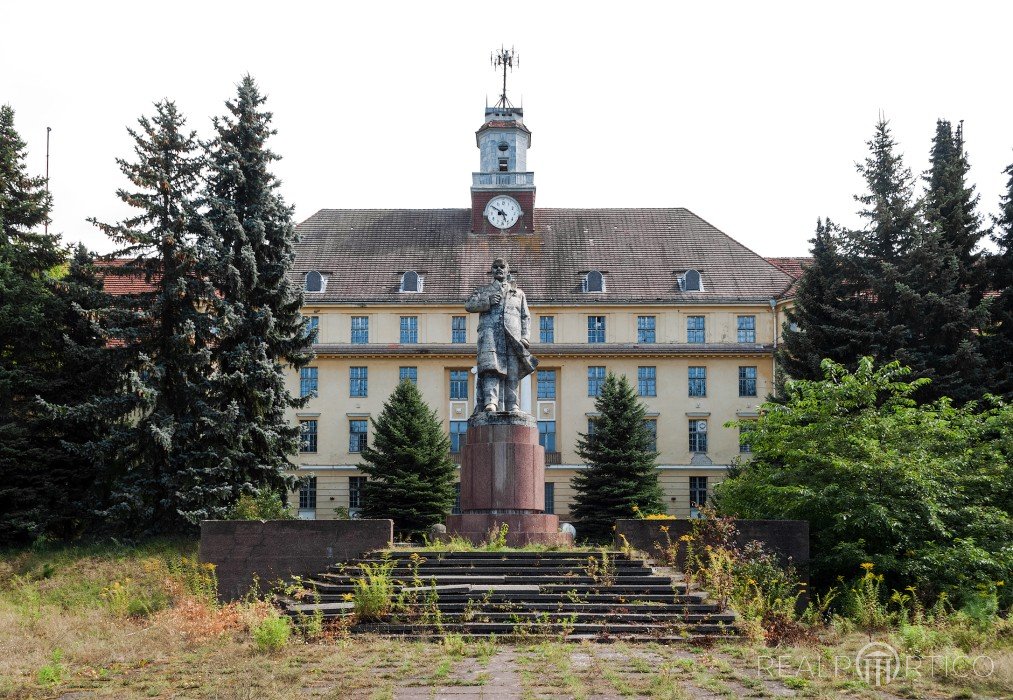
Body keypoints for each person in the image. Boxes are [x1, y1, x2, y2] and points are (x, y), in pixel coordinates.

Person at [465, 258, 538, 413]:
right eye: (495, 267)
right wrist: (487, 301)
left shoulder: (518, 293)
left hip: (513, 337)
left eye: (502, 267)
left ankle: (513, 404)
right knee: (491, 369)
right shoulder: (484, 291)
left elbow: (525, 316)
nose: (499, 269)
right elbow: (469, 305)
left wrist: (525, 337)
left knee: (512, 372)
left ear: (507, 270)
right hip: (490, 335)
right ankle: (490, 402)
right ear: (492, 270)